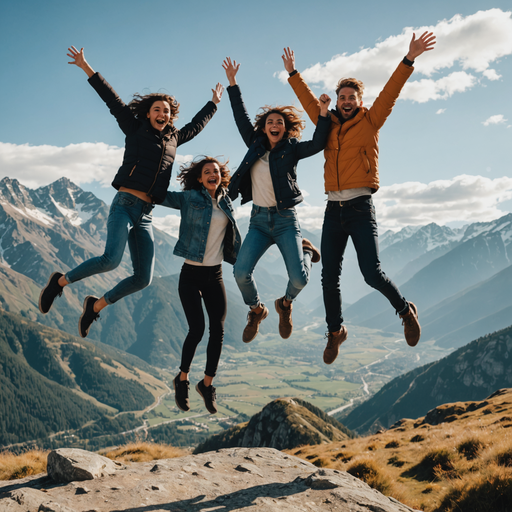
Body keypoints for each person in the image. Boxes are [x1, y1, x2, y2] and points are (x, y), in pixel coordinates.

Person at [39, 46, 223, 338]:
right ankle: (58, 283)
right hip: (124, 205)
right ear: (148, 113)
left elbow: (196, 126)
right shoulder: (134, 128)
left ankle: (94, 307)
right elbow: (111, 100)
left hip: (147, 214)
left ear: (170, 116)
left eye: (166, 111)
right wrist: (86, 67)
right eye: (157, 109)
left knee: (143, 279)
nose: (162, 113)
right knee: (110, 259)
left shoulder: (174, 138)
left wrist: (213, 103)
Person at [282, 32, 436, 364]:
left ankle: (405, 310)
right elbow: (310, 102)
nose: (346, 100)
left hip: (360, 206)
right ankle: (335, 331)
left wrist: (408, 59)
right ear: (337, 100)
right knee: (328, 276)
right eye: (342, 96)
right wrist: (294, 74)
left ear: (360, 100)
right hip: (332, 207)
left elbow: (391, 92)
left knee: (370, 272)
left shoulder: (371, 121)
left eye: (352, 96)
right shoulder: (328, 122)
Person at [222, 57, 331, 343]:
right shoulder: (254, 144)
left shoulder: (291, 150)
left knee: (299, 280)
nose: (274, 125)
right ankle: (257, 310)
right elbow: (240, 116)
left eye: (279, 123)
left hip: (285, 221)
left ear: (285, 129)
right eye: (270, 122)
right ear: (264, 128)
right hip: (258, 221)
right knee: (241, 272)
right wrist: (233, 84)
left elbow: (319, 143)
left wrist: (323, 113)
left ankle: (285, 303)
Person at [160, 157, 241, 414]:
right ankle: (181, 379)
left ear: (221, 176)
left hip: (215, 275)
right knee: (197, 329)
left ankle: (206, 385)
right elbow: (159, 196)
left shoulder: (227, 201)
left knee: (218, 330)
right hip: (190, 275)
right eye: (207, 172)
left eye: (215, 171)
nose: (212, 175)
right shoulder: (189, 198)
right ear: (199, 178)